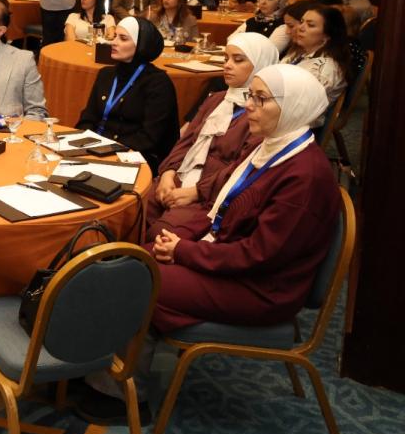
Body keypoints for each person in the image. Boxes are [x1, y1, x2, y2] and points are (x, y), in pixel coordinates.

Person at [149, 64, 340, 333]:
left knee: (140, 279)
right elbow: (222, 211)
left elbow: (260, 255)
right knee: (135, 260)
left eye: (260, 98)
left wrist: (184, 251)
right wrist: (180, 240)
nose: (248, 105)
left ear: (294, 107)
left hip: (262, 288)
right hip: (230, 259)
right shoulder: (268, 145)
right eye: (250, 95)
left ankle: (131, 352)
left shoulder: (305, 177)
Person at [145, 33, 280, 243]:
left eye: (238, 60)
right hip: (184, 175)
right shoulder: (217, 99)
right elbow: (186, 142)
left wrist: (196, 192)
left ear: (261, 65)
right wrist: (168, 174)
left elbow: (243, 168)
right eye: (226, 58)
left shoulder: (261, 113)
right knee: (134, 207)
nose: (227, 65)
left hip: (214, 195)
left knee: (162, 233)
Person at [76, 17, 179, 169]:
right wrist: (82, 145)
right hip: (95, 149)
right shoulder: (105, 74)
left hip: (135, 155)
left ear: (141, 45)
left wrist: (107, 150)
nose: (114, 42)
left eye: (123, 38)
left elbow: (149, 138)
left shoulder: (158, 83)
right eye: (114, 36)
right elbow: (88, 118)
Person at [280, 4, 349, 107]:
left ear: (327, 35)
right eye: (302, 22)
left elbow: (298, 105)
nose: (300, 27)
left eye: (310, 25)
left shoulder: (324, 70)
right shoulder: (299, 52)